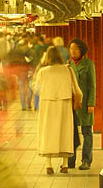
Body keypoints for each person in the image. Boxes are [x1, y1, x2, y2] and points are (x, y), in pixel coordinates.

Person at [34, 46, 82, 175]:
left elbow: (36, 89)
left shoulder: (43, 71)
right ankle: (65, 164)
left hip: (47, 104)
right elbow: (75, 89)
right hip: (65, 103)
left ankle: (48, 165)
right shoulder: (68, 70)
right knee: (65, 131)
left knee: (48, 132)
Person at [69, 38, 97, 170]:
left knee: (87, 132)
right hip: (72, 104)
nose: (72, 51)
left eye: (75, 48)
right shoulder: (69, 65)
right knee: (71, 132)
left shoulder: (88, 64)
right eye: (71, 49)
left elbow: (92, 86)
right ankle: (70, 160)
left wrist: (91, 103)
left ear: (81, 50)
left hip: (85, 104)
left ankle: (86, 160)